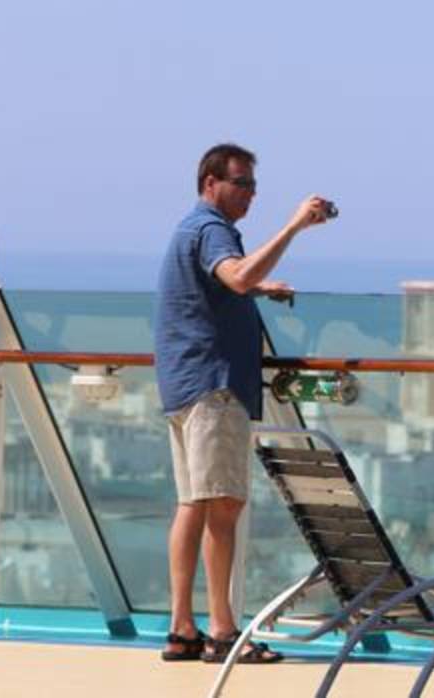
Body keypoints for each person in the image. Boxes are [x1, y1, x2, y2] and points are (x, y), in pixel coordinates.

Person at [154, 143, 331, 663]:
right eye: (241, 183)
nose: (249, 194)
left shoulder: (191, 229)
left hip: (185, 384)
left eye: (253, 185)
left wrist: (258, 288)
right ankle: (223, 632)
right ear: (211, 183)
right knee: (224, 508)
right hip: (216, 386)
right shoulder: (211, 230)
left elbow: (225, 285)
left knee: (194, 504)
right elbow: (234, 275)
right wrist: (295, 225)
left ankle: (182, 627)